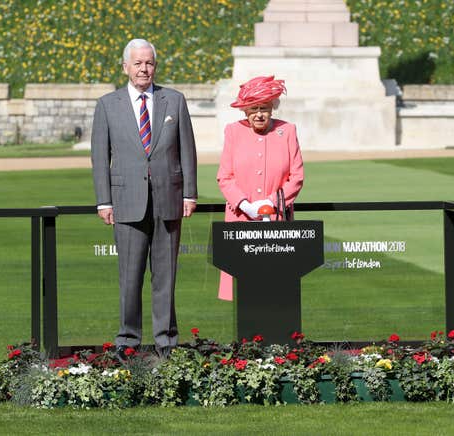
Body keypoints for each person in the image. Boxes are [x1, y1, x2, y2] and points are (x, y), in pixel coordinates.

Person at [91, 38, 197, 359]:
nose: (144, 69)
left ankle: (166, 342)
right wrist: (103, 201)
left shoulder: (174, 101)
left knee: (165, 277)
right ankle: (128, 341)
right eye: (137, 63)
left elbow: (187, 151)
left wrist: (190, 193)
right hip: (126, 202)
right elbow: (100, 157)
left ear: (156, 66)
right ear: (125, 67)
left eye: (149, 63)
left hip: (169, 200)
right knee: (130, 277)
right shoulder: (108, 105)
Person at [216, 75, 304, 301]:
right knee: (244, 288)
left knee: (275, 288)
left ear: (272, 108)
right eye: (253, 108)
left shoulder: (288, 131)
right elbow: (224, 176)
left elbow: (297, 176)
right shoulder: (233, 132)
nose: (259, 114)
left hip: (276, 220)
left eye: (264, 108)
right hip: (241, 219)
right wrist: (245, 205)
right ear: (245, 110)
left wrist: (271, 203)